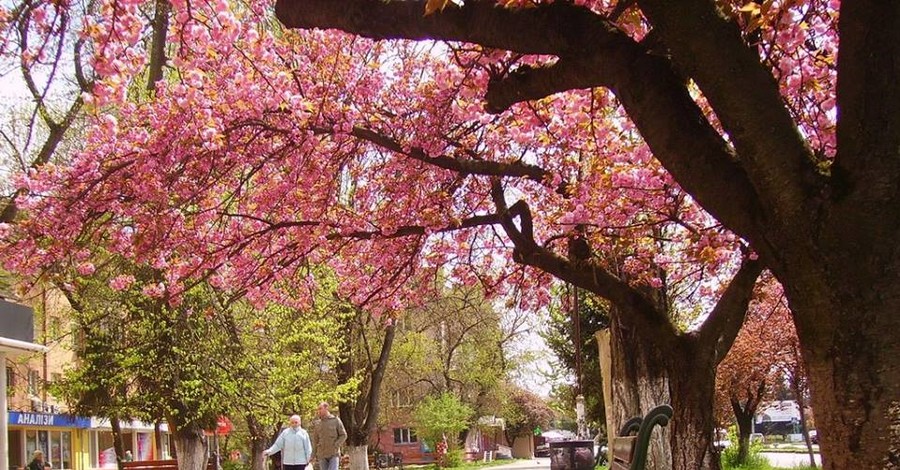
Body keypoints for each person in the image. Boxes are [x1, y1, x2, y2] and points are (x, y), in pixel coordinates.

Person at [312, 402, 346, 470]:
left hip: (333, 453)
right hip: (322, 454)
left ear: (326, 408)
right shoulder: (317, 424)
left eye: (320, 408)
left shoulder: (335, 420)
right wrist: (313, 454)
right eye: (318, 409)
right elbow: (315, 440)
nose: (319, 411)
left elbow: (343, 435)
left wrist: (336, 444)